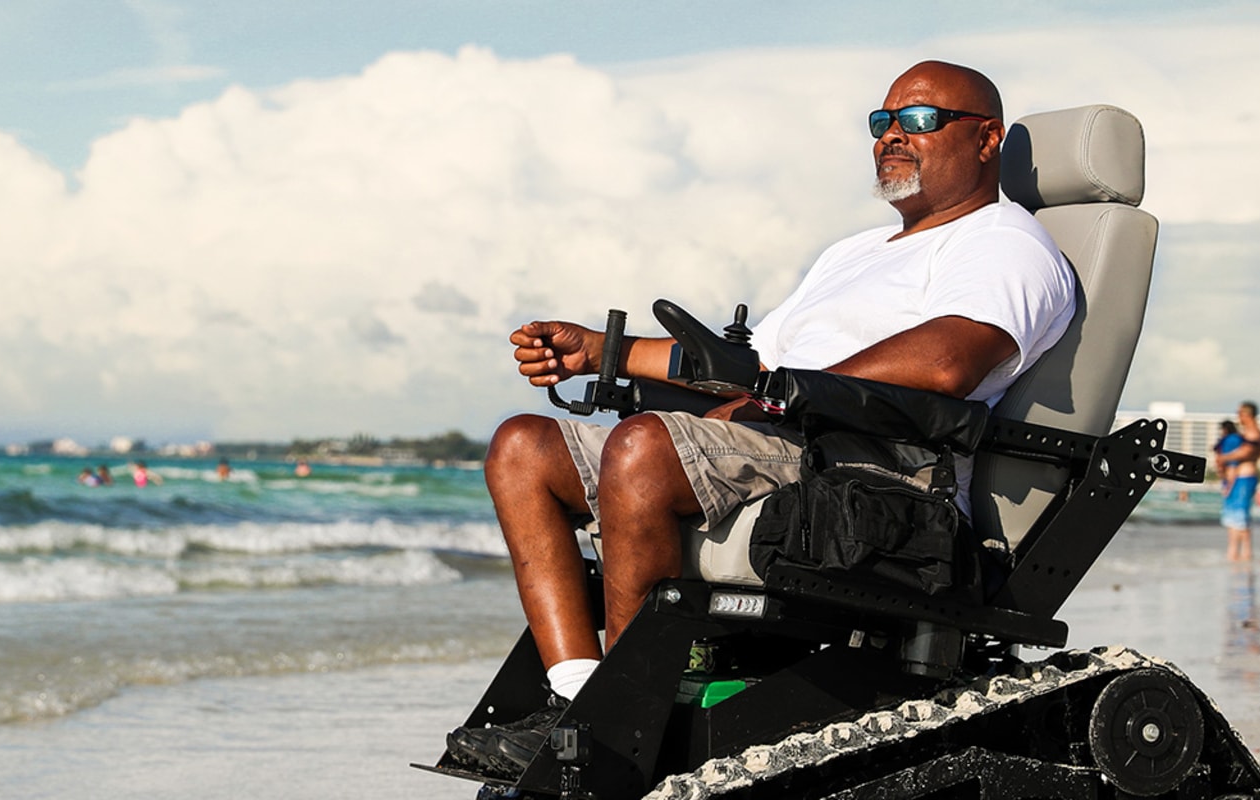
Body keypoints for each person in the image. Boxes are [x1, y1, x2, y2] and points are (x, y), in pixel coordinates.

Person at [450, 61, 1076, 776]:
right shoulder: (854, 253)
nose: (892, 136)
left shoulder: (1007, 244)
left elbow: (947, 366)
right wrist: (603, 351)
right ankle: (579, 698)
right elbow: (751, 366)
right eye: (882, 122)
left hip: (875, 465)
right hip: (776, 436)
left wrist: (783, 392)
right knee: (522, 447)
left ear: (987, 138)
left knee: (642, 450)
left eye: (920, 120)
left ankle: (623, 723)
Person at [1215, 403, 1260, 562]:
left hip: (1245, 476)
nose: (1238, 417)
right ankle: (1235, 550)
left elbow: (1247, 452)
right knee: (1233, 516)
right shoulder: (1248, 433)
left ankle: (1245, 552)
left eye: (1240, 413)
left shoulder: (1253, 432)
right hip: (1240, 476)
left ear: (1247, 414)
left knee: (1240, 516)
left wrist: (1225, 457)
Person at [1211, 421, 1249, 560]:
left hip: (1235, 479)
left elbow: (1232, 465)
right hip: (1239, 478)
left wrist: (1228, 485)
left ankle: (1236, 551)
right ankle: (1243, 550)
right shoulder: (1238, 439)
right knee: (1239, 518)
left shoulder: (1230, 441)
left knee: (1236, 519)